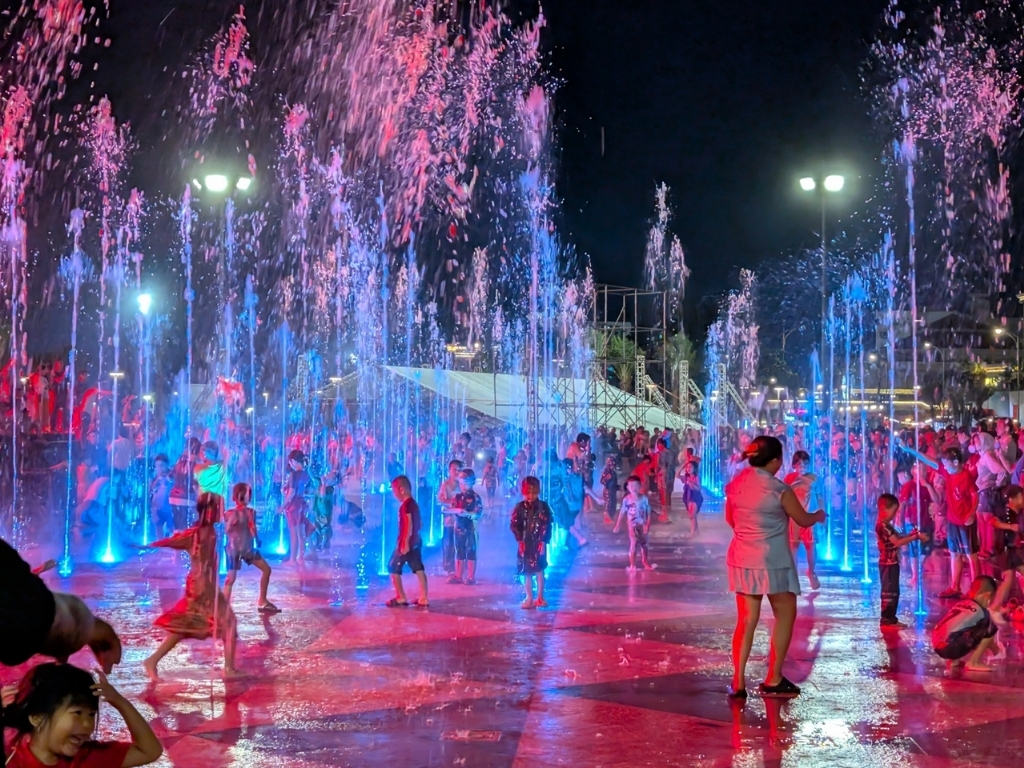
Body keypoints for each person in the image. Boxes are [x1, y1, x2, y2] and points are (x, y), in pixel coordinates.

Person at [725, 436, 825, 699]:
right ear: (775, 460)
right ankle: (773, 677)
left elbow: (730, 519)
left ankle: (738, 681)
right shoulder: (779, 489)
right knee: (785, 614)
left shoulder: (735, 484)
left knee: (746, 620)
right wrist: (818, 515)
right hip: (773, 561)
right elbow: (802, 519)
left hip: (743, 558)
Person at [143, 493, 239, 680]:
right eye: (219, 508)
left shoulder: (211, 532)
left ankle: (152, 660)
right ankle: (229, 669)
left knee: (189, 627)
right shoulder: (195, 534)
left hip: (208, 586)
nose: (221, 512)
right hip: (200, 588)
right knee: (227, 623)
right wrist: (148, 545)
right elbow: (172, 541)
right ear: (209, 511)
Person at [3, 663, 162, 767]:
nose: (87, 725)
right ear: (37, 717)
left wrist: (120, 702)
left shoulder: (87, 757)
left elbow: (149, 751)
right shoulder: (11, 761)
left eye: (91, 714)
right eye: (77, 713)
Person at [900, 442, 980, 598]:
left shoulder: (966, 476)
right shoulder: (947, 471)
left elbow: (975, 496)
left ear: (955, 462)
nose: (944, 467)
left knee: (971, 554)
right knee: (954, 553)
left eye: (946, 463)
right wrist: (909, 449)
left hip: (965, 521)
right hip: (952, 520)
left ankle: (977, 588)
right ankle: (955, 586)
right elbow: (928, 460)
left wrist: (971, 514)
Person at [223, 482, 279, 614]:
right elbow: (228, 531)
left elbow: (251, 527)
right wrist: (257, 539)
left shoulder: (248, 512)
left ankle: (262, 600)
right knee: (231, 579)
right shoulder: (230, 513)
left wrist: (257, 539)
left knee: (266, 570)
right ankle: (224, 606)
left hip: (245, 549)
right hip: (236, 550)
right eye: (244, 496)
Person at [876, 493, 929, 629]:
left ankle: (891, 618)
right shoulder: (883, 526)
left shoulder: (887, 525)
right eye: (893, 511)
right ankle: (887, 619)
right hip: (887, 564)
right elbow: (897, 542)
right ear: (884, 509)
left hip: (892, 563)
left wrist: (911, 535)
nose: (895, 515)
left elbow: (898, 538)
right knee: (889, 592)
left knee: (894, 591)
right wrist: (914, 537)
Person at [932, 576, 1003, 672]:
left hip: (937, 644)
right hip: (949, 647)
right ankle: (974, 662)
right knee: (990, 626)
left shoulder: (963, 603)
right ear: (988, 596)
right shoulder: (981, 611)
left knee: (964, 629)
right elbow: (986, 634)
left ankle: (954, 661)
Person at [510, 476, 553, 609]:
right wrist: (520, 540)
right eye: (528, 493)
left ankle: (540, 597)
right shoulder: (520, 507)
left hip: (538, 543)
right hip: (525, 543)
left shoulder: (543, 507)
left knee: (540, 570)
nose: (530, 496)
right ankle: (529, 597)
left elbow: (547, 525)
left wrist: (543, 542)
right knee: (526, 571)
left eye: (533, 493)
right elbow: (514, 525)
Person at [386, 475, 429, 608]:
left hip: (407, 542)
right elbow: (419, 523)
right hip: (416, 541)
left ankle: (401, 597)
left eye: (395, 492)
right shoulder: (414, 504)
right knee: (418, 568)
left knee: (393, 567)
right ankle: (424, 597)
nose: (395, 495)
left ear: (402, 490)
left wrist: (404, 542)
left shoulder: (405, 506)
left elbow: (408, 524)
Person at [783, 450, 821, 589]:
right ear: (794, 465)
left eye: (805, 464)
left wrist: (822, 513)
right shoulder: (789, 478)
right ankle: (794, 576)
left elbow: (820, 496)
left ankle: (811, 572)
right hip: (794, 517)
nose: (802, 466)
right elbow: (783, 495)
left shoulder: (814, 478)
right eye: (799, 464)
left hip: (809, 516)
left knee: (811, 545)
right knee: (793, 545)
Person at [988, 484, 1024, 616]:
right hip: (1004, 549)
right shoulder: (1005, 512)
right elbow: (992, 522)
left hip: (1013, 549)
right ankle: (994, 607)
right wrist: (1010, 527)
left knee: (1017, 574)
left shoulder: (1018, 513)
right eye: (1021, 496)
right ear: (1012, 499)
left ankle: (995, 607)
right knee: (1008, 578)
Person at [612, 475, 655, 571]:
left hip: (643, 525)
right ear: (627, 487)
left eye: (636, 485)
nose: (633, 488)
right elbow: (622, 512)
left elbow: (649, 513)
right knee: (634, 543)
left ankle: (645, 561)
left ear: (640, 486)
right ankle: (632, 565)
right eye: (631, 486)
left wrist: (647, 525)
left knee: (644, 544)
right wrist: (617, 524)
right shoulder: (626, 500)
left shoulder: (644, 499)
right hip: (632, 526)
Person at [449, 468, 482, 585]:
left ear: (472, 482)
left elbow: (478, 513)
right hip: (458, 528)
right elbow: (452, 508)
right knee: (459, 551)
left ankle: (471, 576)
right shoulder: (457, 497)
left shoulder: (475, 497)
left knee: (471, 551)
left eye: (466, 483)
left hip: (471, 528)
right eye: (461, 483)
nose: (463, 486)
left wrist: (468, 513)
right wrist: (453, 511)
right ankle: (458, 575)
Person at [282, 449, 312, 564]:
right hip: (301, 504)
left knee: (293, 534)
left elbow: (291, 492)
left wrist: (282, 506)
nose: (290, 465)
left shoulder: (293, 475)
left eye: (290, 462)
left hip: (292, 506)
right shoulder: (306, 474)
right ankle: (301, 557)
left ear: (293, 461)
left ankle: (292, 559)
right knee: (300, 533)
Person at [437, 459, 462, 575]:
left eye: (459, 470)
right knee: (449, 542)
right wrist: (452, 502)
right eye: (454, 470)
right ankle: (448, 566)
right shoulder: (445, 485)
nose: (456, 472)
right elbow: (441, 500)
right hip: (449, 520)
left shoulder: (462, 485)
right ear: (449, 470)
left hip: (460, 520)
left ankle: (459, 566)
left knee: (459, 543)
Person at [150, 453, 174, 540]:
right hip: (159, 508)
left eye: (162, 465)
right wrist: (158, 478)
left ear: (167, 464)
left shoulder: (172, 475)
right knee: (158, 530)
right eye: (157, 466)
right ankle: (160, 545)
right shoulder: (156, 478)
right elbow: (152, 489)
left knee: (172, 530)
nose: (159, 468)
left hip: (170, 509)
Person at [679, 460, 704, 538]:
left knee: (692, 515)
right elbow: (677, 475)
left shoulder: (696, 478)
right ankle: (696, 531)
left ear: (695, 468)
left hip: (696, 497)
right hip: (688, 498)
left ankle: (692, 532)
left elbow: (699, 488)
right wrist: (682, 466)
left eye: (690, 467)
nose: (688, 468)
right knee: (692, 516)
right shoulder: (686, 477)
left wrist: (692, 484)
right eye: (687, 467)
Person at [599, 456, 619, 525]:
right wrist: (607, 478)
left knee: (613, 504)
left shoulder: (613, 472)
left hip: (613, 491)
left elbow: (614, 482)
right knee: (608, 505)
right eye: (612, 463)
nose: (614, 465)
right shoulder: (606, 471)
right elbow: (602, 481)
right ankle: (607, 519)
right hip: (608, 491)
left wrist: (618, 487)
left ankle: (610, 517)